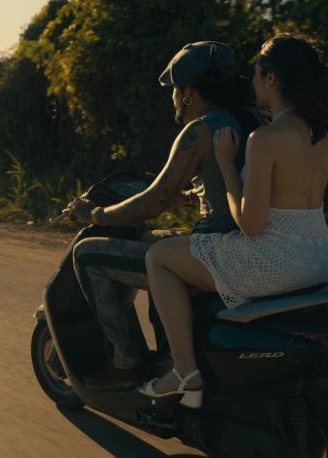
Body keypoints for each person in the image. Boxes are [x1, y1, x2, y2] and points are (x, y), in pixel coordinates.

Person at [138, 34, 328, 408]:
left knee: (159, 257)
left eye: (256, 73)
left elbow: (251, 224)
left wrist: (224, 162)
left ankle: (184, 370)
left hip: (277, 261)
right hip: (323, 257)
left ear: (271, 79)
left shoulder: (264, 139)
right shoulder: (322, 134)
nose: (251, 81)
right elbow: (289, 199)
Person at [62, 41, 260, 389]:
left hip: (216, 252)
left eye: (175, 90)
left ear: (188, 93)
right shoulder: (251, 118)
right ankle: (169, 352)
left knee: (88, 254)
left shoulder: (201, 130)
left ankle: (126, 363)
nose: (173, 97)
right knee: (154, 239)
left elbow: (153, 200)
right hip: (247, 245)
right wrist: (193, 196)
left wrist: (96, 214)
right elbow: (232, 181)